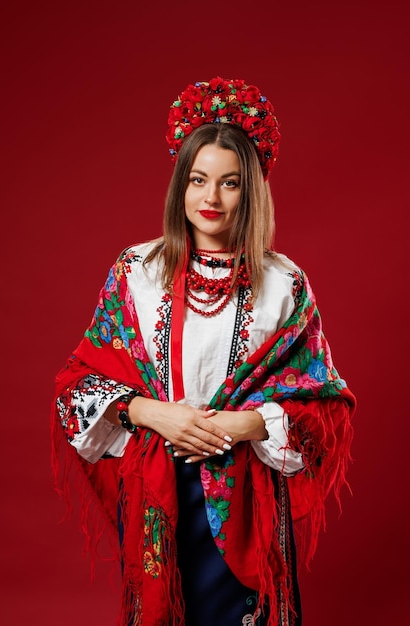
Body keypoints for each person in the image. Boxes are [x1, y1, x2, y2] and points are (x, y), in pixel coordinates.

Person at [52, 76, 356, 626]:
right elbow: (78, 385)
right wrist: (154, 413)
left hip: (245, 497)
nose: (210, 198)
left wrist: (244, 427)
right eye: (197, 180)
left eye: (230, 183)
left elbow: (324, 404)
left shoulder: (283, 283)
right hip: (158, 493)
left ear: (254, 190)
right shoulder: (136, 272)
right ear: (179, 186)